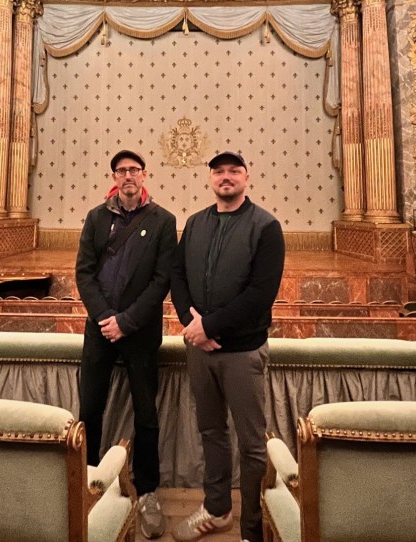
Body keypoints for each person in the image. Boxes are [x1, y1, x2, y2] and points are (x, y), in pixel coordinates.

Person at [170, 151, 285, 542]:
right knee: (211, 431)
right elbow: (178, 277)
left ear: (246, 177)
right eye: (218, 171)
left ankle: (252, 528)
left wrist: (208, 326)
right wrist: (192, 326)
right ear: (210, 179)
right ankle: (217, 510)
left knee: (252, 445)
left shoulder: (266, 226)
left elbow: (260, 294)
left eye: (234, 170)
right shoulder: (195, 223)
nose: (225, 176)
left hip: (242, 353)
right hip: (199, 350)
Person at [76, 149, 177, 539]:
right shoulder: (96, 218)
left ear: (145, 175)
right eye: (122, 170)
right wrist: (106, 318)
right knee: (90, 409)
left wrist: (126, 322)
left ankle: (147, 492)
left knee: (146, 414)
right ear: (114, 177)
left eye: (134, 169)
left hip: (140, 333)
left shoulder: (163, 220)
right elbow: (84, 273)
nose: (128, 175)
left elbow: (161, 280)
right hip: (100, 331)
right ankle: (87, 483)